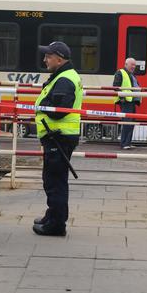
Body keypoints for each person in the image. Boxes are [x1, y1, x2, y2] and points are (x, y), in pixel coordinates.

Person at [33, 41, 83, 237]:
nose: (44, 59)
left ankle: (56, 225)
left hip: (58, 137)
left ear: (59, 59)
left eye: (48, 56)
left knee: (55, 182)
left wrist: (43, 103)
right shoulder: (62, 76)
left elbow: (57, 110)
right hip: (57, 136)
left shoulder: (64, 80)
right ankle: (52, 215)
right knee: (53, 179)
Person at [113, 57, 140, 150]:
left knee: (131, 123)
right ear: (126, 64)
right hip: (126, 101)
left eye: (134, 65)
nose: (133, 66)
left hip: (131, 101)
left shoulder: (131, 74)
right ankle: (124, 144)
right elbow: (116, 86)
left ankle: (128, 143)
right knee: (127, 122)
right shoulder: (120, 72)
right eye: (132, 64)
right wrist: (122, 98)